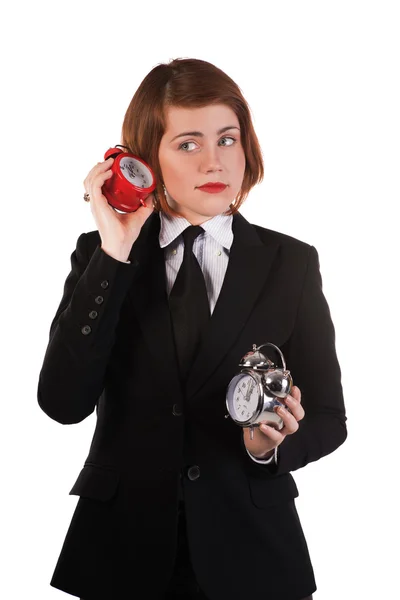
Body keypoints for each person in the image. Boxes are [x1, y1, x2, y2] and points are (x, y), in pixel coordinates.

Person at [37, 57, 347, 600]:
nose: (214, 161)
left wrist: (265, 448)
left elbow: (328, 416)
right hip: (119, 553)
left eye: (227, 139)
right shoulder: (101, 257)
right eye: (188, 144)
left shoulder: (291, 262)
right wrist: (114, 251)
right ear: (143, 160)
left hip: (254, 556)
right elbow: (62, 403)